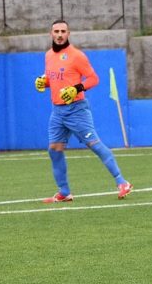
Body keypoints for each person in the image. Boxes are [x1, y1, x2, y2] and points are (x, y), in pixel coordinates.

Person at [35, 19, 132, 202]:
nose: (60, 34)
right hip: (57, 112)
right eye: (56, 31)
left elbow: (94, 78)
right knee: (54, 149)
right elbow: (53, 79)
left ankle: (122, 182)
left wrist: (76, 89)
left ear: (68, 34)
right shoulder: (48, 55)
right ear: (51, 34)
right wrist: (44, 82)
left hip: (76, 110)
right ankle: (64, 192)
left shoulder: (77, 56)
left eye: (63, 31)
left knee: (94, 145)